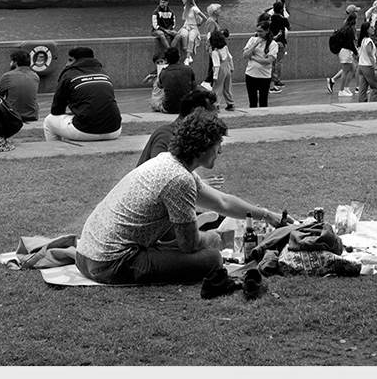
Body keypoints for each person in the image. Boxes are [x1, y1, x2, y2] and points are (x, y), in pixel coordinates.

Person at [75, 109, 284, 287]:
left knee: (201, 247)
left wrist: (266, 215)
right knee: (212, 259)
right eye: (218, 144)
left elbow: (223, 202)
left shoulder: (170, 163)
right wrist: (214, 238)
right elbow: (189, 244)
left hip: (86, 255)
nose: (220, 150)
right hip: (110, 263)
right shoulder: (179, 179)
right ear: (203, 145)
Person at [43, 44, 123, 143]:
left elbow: (56, 110)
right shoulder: (103, 73)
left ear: (76, 61)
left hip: (84, 131)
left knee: (49, 121)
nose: (66, 64)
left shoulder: (69, 74)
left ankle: (55, 150)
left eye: (70, 60)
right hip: (114, 130)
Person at [155, 43, 200, 117]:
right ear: (179, 57)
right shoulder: (188, 69)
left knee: (154, 102)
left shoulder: (164, 72)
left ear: (166, 60)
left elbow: (159, 86)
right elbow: (194, 87)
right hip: (187, 107)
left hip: (169, 108)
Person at [0, 49, 40, 123]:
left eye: (11, 61)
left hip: (13, 115)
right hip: (32, 115)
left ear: (15, 62)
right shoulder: (35, 76)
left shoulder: (7, 76)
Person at [241, 22, 279, 107]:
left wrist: (253, 58)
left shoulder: (273, 44)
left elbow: (268, 61)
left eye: (261, 31)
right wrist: (255, 45)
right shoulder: (252, 40)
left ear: (267, 31)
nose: (258, 33)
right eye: (257, 31)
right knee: (252, 100)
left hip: (264, 76)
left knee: (263, 101)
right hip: (250, 74)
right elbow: (245, 55)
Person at [326, 8, 359, 97]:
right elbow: (350, 44)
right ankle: (342, 90)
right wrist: (356, 52)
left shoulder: (345, 28)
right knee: (346, 71)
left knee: (352, 68)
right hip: (346, 51)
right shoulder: (350, 30)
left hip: (343, 51)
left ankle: (346, 87)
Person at [207, 9, 236, 110]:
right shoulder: (225, 47)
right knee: (227, 87)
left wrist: (214, 76)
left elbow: (216, 65)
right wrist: (231, 68)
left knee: (217, 88)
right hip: (227, 67)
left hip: (220, 70)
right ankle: (230, 103)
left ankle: (215, 105)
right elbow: (230, 57)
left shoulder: (215, 52)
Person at [356, 25, 377, 103]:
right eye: (371, 27)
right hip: (368, 66)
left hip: (361, 66)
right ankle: (373, 105)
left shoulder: (362, 40)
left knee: (363, 88)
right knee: (376, 87)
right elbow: (370, 54)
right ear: (367, 30)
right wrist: (375, 67)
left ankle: (362, 105)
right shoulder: (368, 41)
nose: (374, 28)